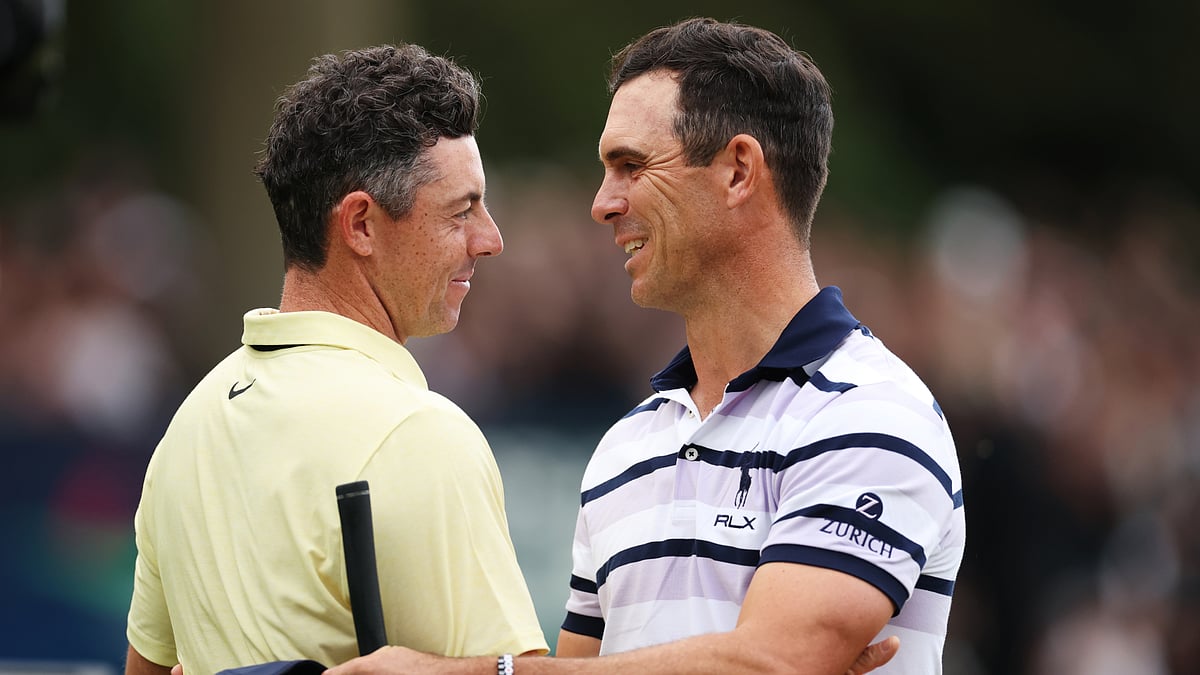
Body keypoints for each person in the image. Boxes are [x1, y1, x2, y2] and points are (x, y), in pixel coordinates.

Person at [326, 16, 963, 675]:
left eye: (631, 167)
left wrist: (472, 673)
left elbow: (774, 662)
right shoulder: (625, 449)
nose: (603, 203)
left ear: (739, 171)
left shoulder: (872, 412)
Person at [123, 44, 549, 675]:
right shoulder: (418, 434)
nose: (491, 239)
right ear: (361, 225)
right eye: (461, 211)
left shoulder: (186, 429)